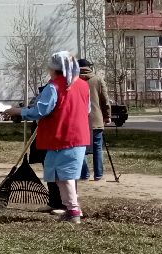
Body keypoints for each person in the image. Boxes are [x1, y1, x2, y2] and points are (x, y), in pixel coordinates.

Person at [20, 51, 91, 224]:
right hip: (76, 136)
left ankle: (74, 210)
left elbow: (40, 110)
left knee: (65, 176)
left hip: (63, 137)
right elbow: (87, 109)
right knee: (61, 175)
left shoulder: (54, 87)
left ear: (54, 69)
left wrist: (19, 112)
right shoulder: (83, 85)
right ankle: (70, 208)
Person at [79, 59, 112, 182]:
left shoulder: (74, 80)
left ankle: (84, 174)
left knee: (81, 147)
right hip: (96, 119)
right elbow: (105, 99)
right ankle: (98, 175)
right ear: (89, 67)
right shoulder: (97, 79)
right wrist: (107, 115)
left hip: (80, 120)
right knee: (98, 147)